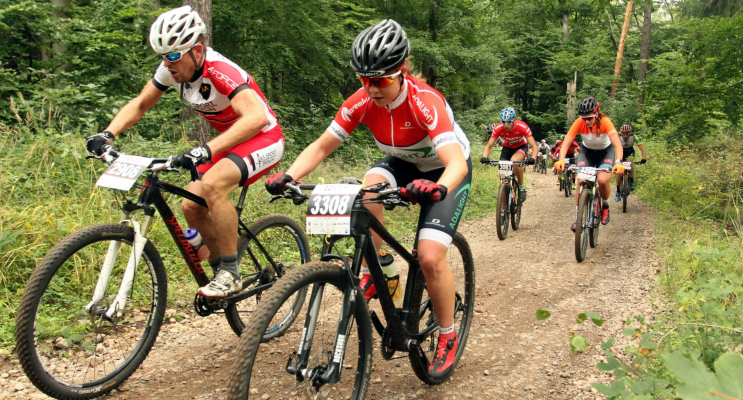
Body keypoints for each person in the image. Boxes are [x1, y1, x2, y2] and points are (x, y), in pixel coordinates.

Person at [264, 19, 471, 379]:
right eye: (364, 80)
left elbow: (455, 163)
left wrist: (437, 188)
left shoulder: (426, 102)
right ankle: (381, 271)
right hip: (402, 163)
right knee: (367, 191)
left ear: (401, 71)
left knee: (430, 257)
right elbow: (322, 146)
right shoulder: (361, 101)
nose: (372, 89)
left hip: (444, 170)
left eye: (381, 80)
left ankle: (448, 335)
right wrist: (291, 176)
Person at [85, 6, 284, 298]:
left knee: (213, 185)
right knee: (191, 206)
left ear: (198, 51)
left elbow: (255, 118)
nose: (167, 64)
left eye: (174, 56)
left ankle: (231, 273)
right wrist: (107, 133)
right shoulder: (171, 70)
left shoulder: (220, 71)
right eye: (163, 57)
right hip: (230, 140)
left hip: (264, 137)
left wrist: (205, 149)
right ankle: (220, 270)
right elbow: (140, 104)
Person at [554, 97, 625, 231]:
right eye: (583, 118)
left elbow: (617, 144)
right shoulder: (579, 122)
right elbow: (566, 143)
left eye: (589, 118)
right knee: (581, 180)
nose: (586, 121)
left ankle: (605, 205)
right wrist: (561, 159)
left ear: (596, 114)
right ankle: (578, 217)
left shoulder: (605, 122)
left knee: (603, 180)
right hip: (587, 153)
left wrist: (619, 162)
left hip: (605, 153)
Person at [479, 107, 538, 202]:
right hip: (507, 148)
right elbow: (489, 146)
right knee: (504, 179)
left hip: (521, 146)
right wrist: (485, 157)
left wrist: (533, 158)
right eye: (503, 122)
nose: (506, 125)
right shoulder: (498, 128)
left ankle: (522, 187)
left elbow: (533, 145)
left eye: (509, 122)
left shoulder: (522, 126)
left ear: (514, 120)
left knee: (515, 162)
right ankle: (503, 209)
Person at [615, 124, 647, 202]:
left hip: (630, 152)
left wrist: (644, 158)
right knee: (618, 171)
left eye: (627, 134)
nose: (625, 136)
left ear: (630, 133)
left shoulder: (634, 137)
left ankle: (631, 181)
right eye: (623, 134)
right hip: (621, 152)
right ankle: (618, 191)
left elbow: (642, 149)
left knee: (629, 163)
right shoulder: (618, 137)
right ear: (621, 133)